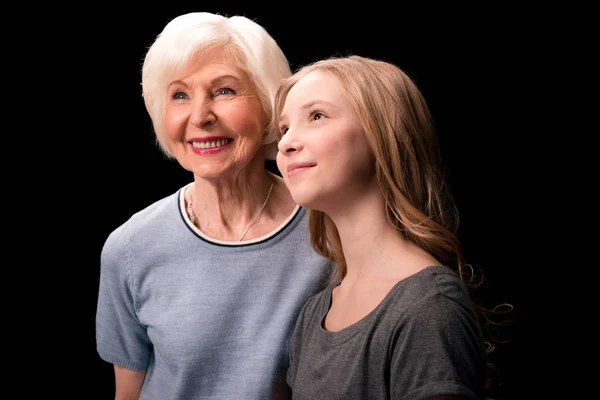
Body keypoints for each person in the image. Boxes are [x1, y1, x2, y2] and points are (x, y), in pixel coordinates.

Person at [95, 12, 334, 399]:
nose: (200, 116)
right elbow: (128, 394)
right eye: (179, 95)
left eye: (224, 91)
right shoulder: (130, 249)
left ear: (271, 104)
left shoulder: (330, 228)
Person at [274, 55, 504, 399]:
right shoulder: (315, 313)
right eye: (284, 128)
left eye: (317, 116)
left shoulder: (429, 306)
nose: (285, 143)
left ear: (383, 133)